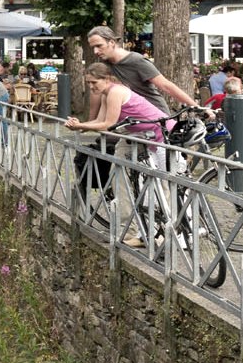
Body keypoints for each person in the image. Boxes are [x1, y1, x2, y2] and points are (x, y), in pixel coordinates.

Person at [67, 62, 172, 247]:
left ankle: (166, 233)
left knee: (162, 185)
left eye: (94, 82)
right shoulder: (106, 94)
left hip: (160, 137)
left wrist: (81, 126)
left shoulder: (116, 92)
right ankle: (133, 231)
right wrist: (80, 126)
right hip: (139, 137)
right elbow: (99, 121)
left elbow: (109, 124)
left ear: (107, 79)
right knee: (122, 178)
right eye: (88, 83)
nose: (91, 87)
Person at [85, 26, 201, 120]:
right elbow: (97, 91)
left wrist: (197, 107)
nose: (95, 51)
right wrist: (91, 122)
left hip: (154, 116)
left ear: (111, 42)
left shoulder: (136, 61)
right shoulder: (105, 64)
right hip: (131, 118)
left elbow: (166, 86)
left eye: (99, 46)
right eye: (93, 47)